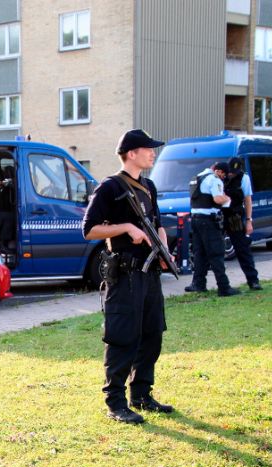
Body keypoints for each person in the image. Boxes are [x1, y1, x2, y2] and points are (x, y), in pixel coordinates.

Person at [83, 129, 172, 424]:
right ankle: (116, 402)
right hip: (124, 276)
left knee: (152, 334)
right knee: (123, 338)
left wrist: (163, 245)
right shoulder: (110, 187)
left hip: (149, 274)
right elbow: (89, 229)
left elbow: (157, 222)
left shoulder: (149, 186)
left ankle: (142, 395)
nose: (153, 153)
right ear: (131, 153)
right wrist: (125, 228)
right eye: (148, 149)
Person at [184, 162, 241, 297]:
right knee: (216, 253)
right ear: (219, 172)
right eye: (224, 175)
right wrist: (228, 198)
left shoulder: (197, 177)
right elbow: (218, 198)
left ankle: (198, 284)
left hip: (196, 220)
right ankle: (224, 287)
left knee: (200, 253)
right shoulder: (214, 180)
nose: (223, 178)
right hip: (209, 221)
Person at [223, 158, 262, 290]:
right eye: (230, 172)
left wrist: (249, 220)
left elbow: (247, 200)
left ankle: (253, 280)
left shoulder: (243, 178)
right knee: (211, 249)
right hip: (220, 216)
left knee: (242, 249)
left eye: (234, 172)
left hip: (235, 218)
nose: (231, 174)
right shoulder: (221, 176)